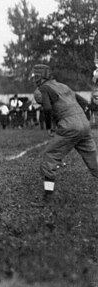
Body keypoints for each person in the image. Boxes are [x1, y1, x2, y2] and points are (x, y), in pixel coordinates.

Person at [31, 64, 97, 201]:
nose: (33, 78)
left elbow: (48, 108)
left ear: (39, 76)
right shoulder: (63, 86)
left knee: (49, 157)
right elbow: (83, 102)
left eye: (34, 75)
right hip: (84, 124)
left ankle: (47, 197)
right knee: (94, 161)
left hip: (69, 125)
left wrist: (49, 126)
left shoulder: (42, 89)